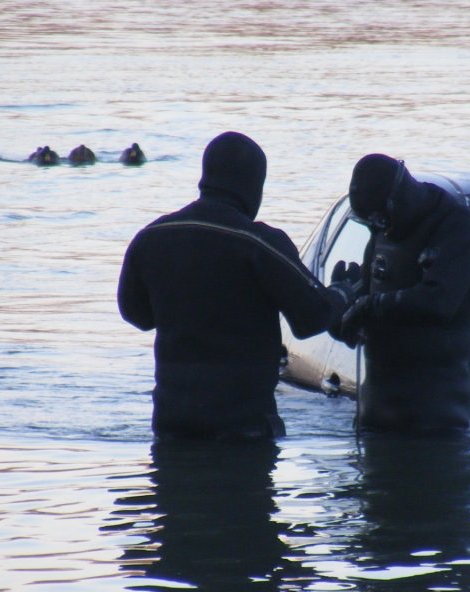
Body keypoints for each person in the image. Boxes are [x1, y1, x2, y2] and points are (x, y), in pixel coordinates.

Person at [118, 131, 356, 441]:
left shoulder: (151, 237)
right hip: (243, 430)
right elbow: (312, 317)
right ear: (252, 185)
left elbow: (136, 315)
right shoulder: (259, 244)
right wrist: (342, 292)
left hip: (172, 425)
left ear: (206, 178)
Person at [337, 154, 470, 433]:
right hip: (376, 412)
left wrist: (369, 307)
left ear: (397, 201)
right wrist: (342, 301)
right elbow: (360, 316)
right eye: (371, 222)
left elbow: (437, 302)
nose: (379, 228)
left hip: (433, 420)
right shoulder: (383, 229)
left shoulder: (456, 228)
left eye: (380, 219)